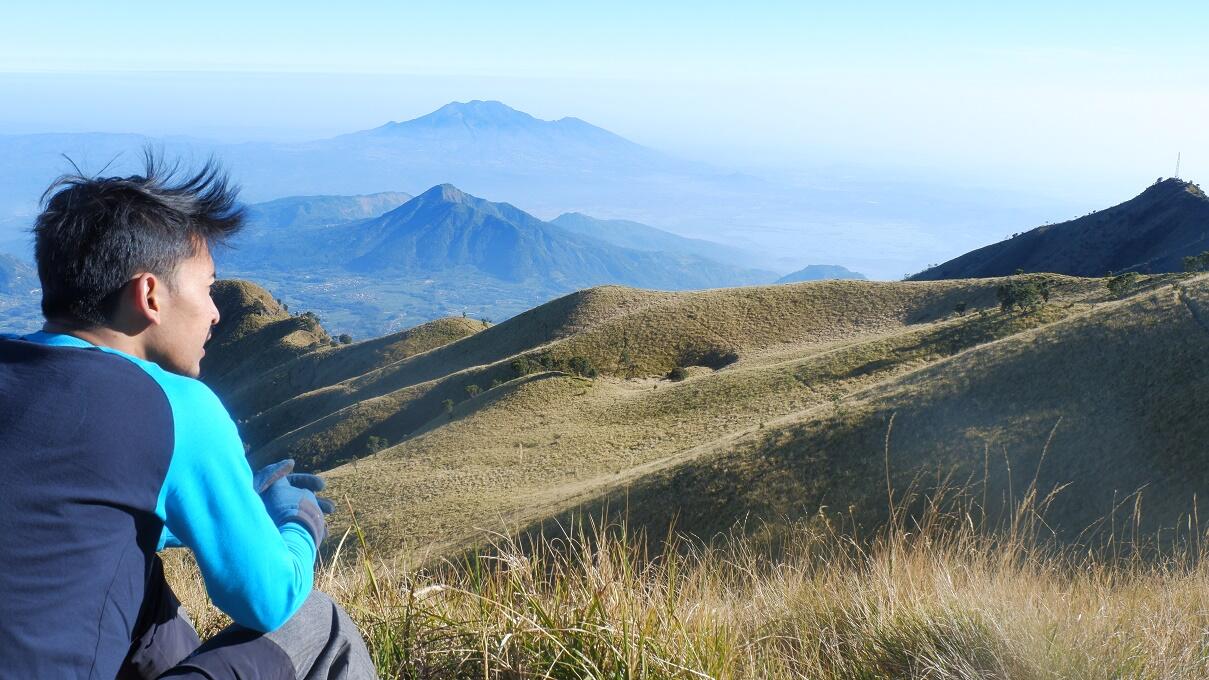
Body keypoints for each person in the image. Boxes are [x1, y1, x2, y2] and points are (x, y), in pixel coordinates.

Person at [0, 153, 378, 679]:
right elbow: (266, 600)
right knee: (320, 623)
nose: (216, 311)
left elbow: (62, 522)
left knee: (138, 578)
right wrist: (298, 522)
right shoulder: (176, 406)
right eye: (207, 287)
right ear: (150, 294)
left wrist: (223, 508)